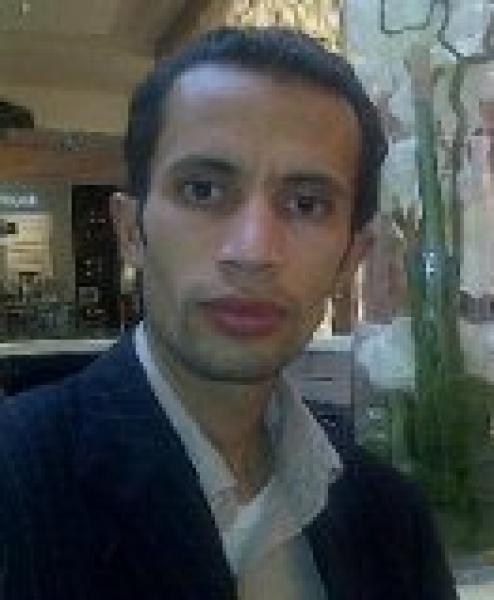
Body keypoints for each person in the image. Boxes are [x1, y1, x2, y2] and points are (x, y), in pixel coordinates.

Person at [0, 26, 458, 599]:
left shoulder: (391, 517)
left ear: (350, 259)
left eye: (306, 204)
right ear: (131, 231)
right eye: (203, 191)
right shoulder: (18, 484)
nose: (253, 251)